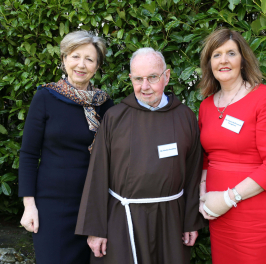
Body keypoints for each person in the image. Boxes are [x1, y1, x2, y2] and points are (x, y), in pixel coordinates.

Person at [75, 47, 207, 264]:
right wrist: (95, 229)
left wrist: (190, 221)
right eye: (138, 79)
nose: (145, 87)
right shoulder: (115, 117)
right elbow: (97, 174)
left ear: (167, 76)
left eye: (152, 77)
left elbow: (193, 172)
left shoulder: (185, 117)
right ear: (130, 79)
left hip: (170, 220)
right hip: (122, 219)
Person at [19, 30, 114, 264]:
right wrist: (28, 205)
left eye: (89, 59)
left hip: (93, 206)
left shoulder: (105, 105)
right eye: (75, 56)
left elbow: (112, 158)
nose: (81, 65)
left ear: (98, 65)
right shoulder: (45, 97)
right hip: (52, 208)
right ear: (64, 59)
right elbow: (29, 154)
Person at [198, 28, 266, 263]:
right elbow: (206, 156)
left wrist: (229, 198)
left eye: (231, 53)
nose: (223, 60)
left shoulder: (264, 97)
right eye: (216, 55)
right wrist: (202, 193)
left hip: (253, 210)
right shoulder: (206, 106)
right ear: (209, 63)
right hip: (218, 213)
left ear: (243, 59)